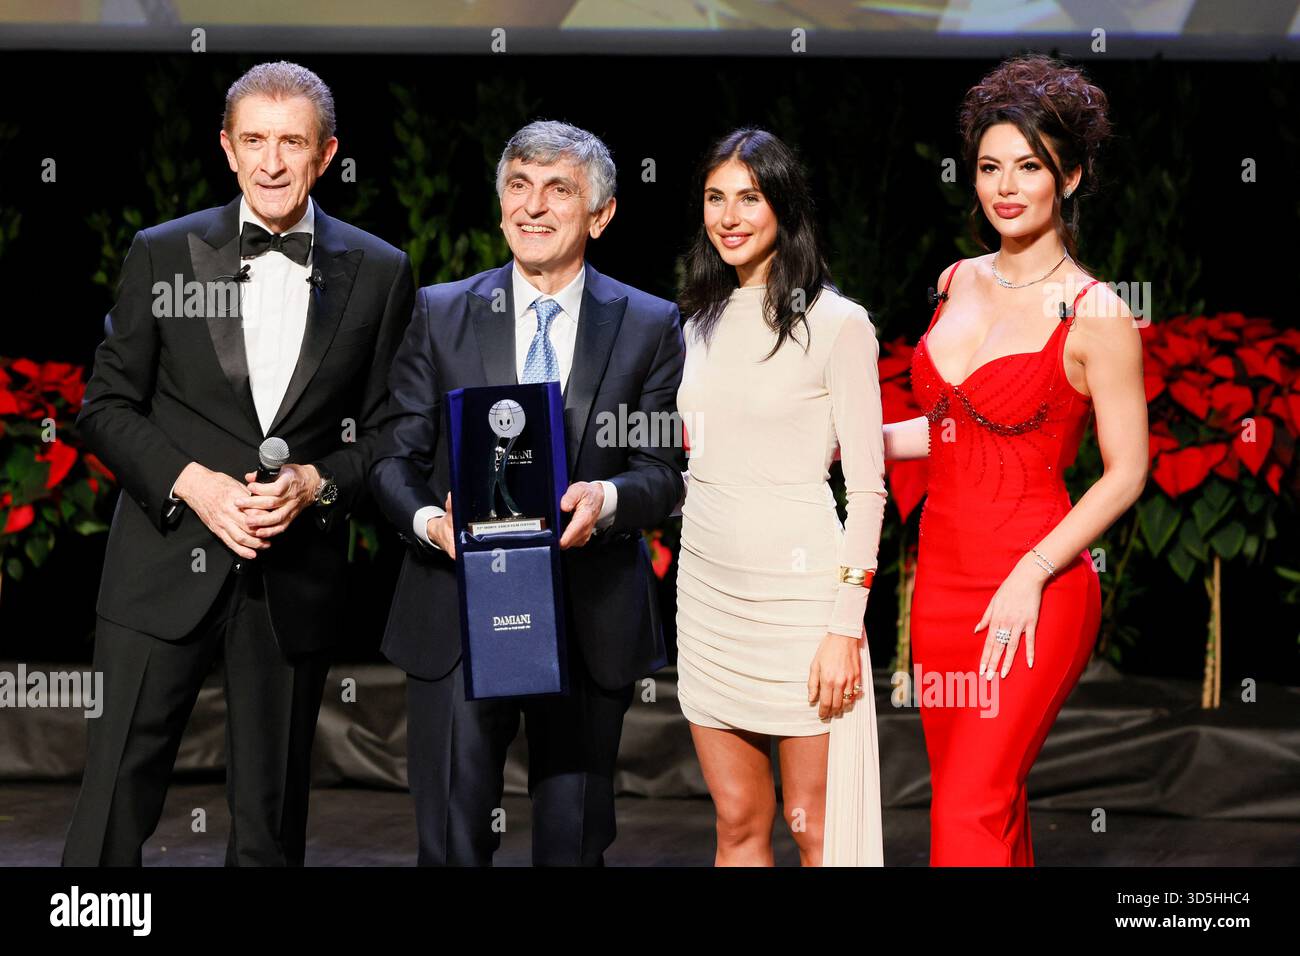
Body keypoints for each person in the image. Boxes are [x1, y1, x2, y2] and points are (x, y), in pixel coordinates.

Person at [63, 61, 415, 865]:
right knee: (113, 803)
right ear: (227, 147)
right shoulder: (164, 253)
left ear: (327, 154)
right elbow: (104, 408)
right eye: (253, 140)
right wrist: (195, 483)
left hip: (290, 583)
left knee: (270, 823)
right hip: (160, 566)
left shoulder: (381, 270)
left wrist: (316, 483)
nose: (272, 162)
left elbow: (395, 431)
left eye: (293, 142)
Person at [370, 120, 685, 866]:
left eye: (559, 190)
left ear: (600, 214)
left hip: (586, 614)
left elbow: (661, 472)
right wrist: (426, 520)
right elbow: (391, 458)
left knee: (572, 843)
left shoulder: (648, 323)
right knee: (450, 840)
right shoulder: (440, 311)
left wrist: (604, 501)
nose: (534, 207)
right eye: (519, 186)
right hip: (455, 605)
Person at [883, 54, 1148, 866]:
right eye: (990, 167)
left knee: (968, 810)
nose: (1005, 186)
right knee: (985, 807)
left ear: (1069, 177)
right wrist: (843, 439)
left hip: (1040, 583)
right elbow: (953, 430)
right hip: (942, 589)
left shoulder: (1098, 313)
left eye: (1029, 167)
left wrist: (1032, 572)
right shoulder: (955, 279)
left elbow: (1127, 471)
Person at [675, 129, 888, 866]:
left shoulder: (839, 324)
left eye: (750, 198)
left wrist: (844, 627)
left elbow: (867, 490)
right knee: (736, 821)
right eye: (715, 198)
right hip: (707, 600)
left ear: (784, 207)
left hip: (801, 607)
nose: (729, 216)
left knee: (814, 828)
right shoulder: (696, 323)